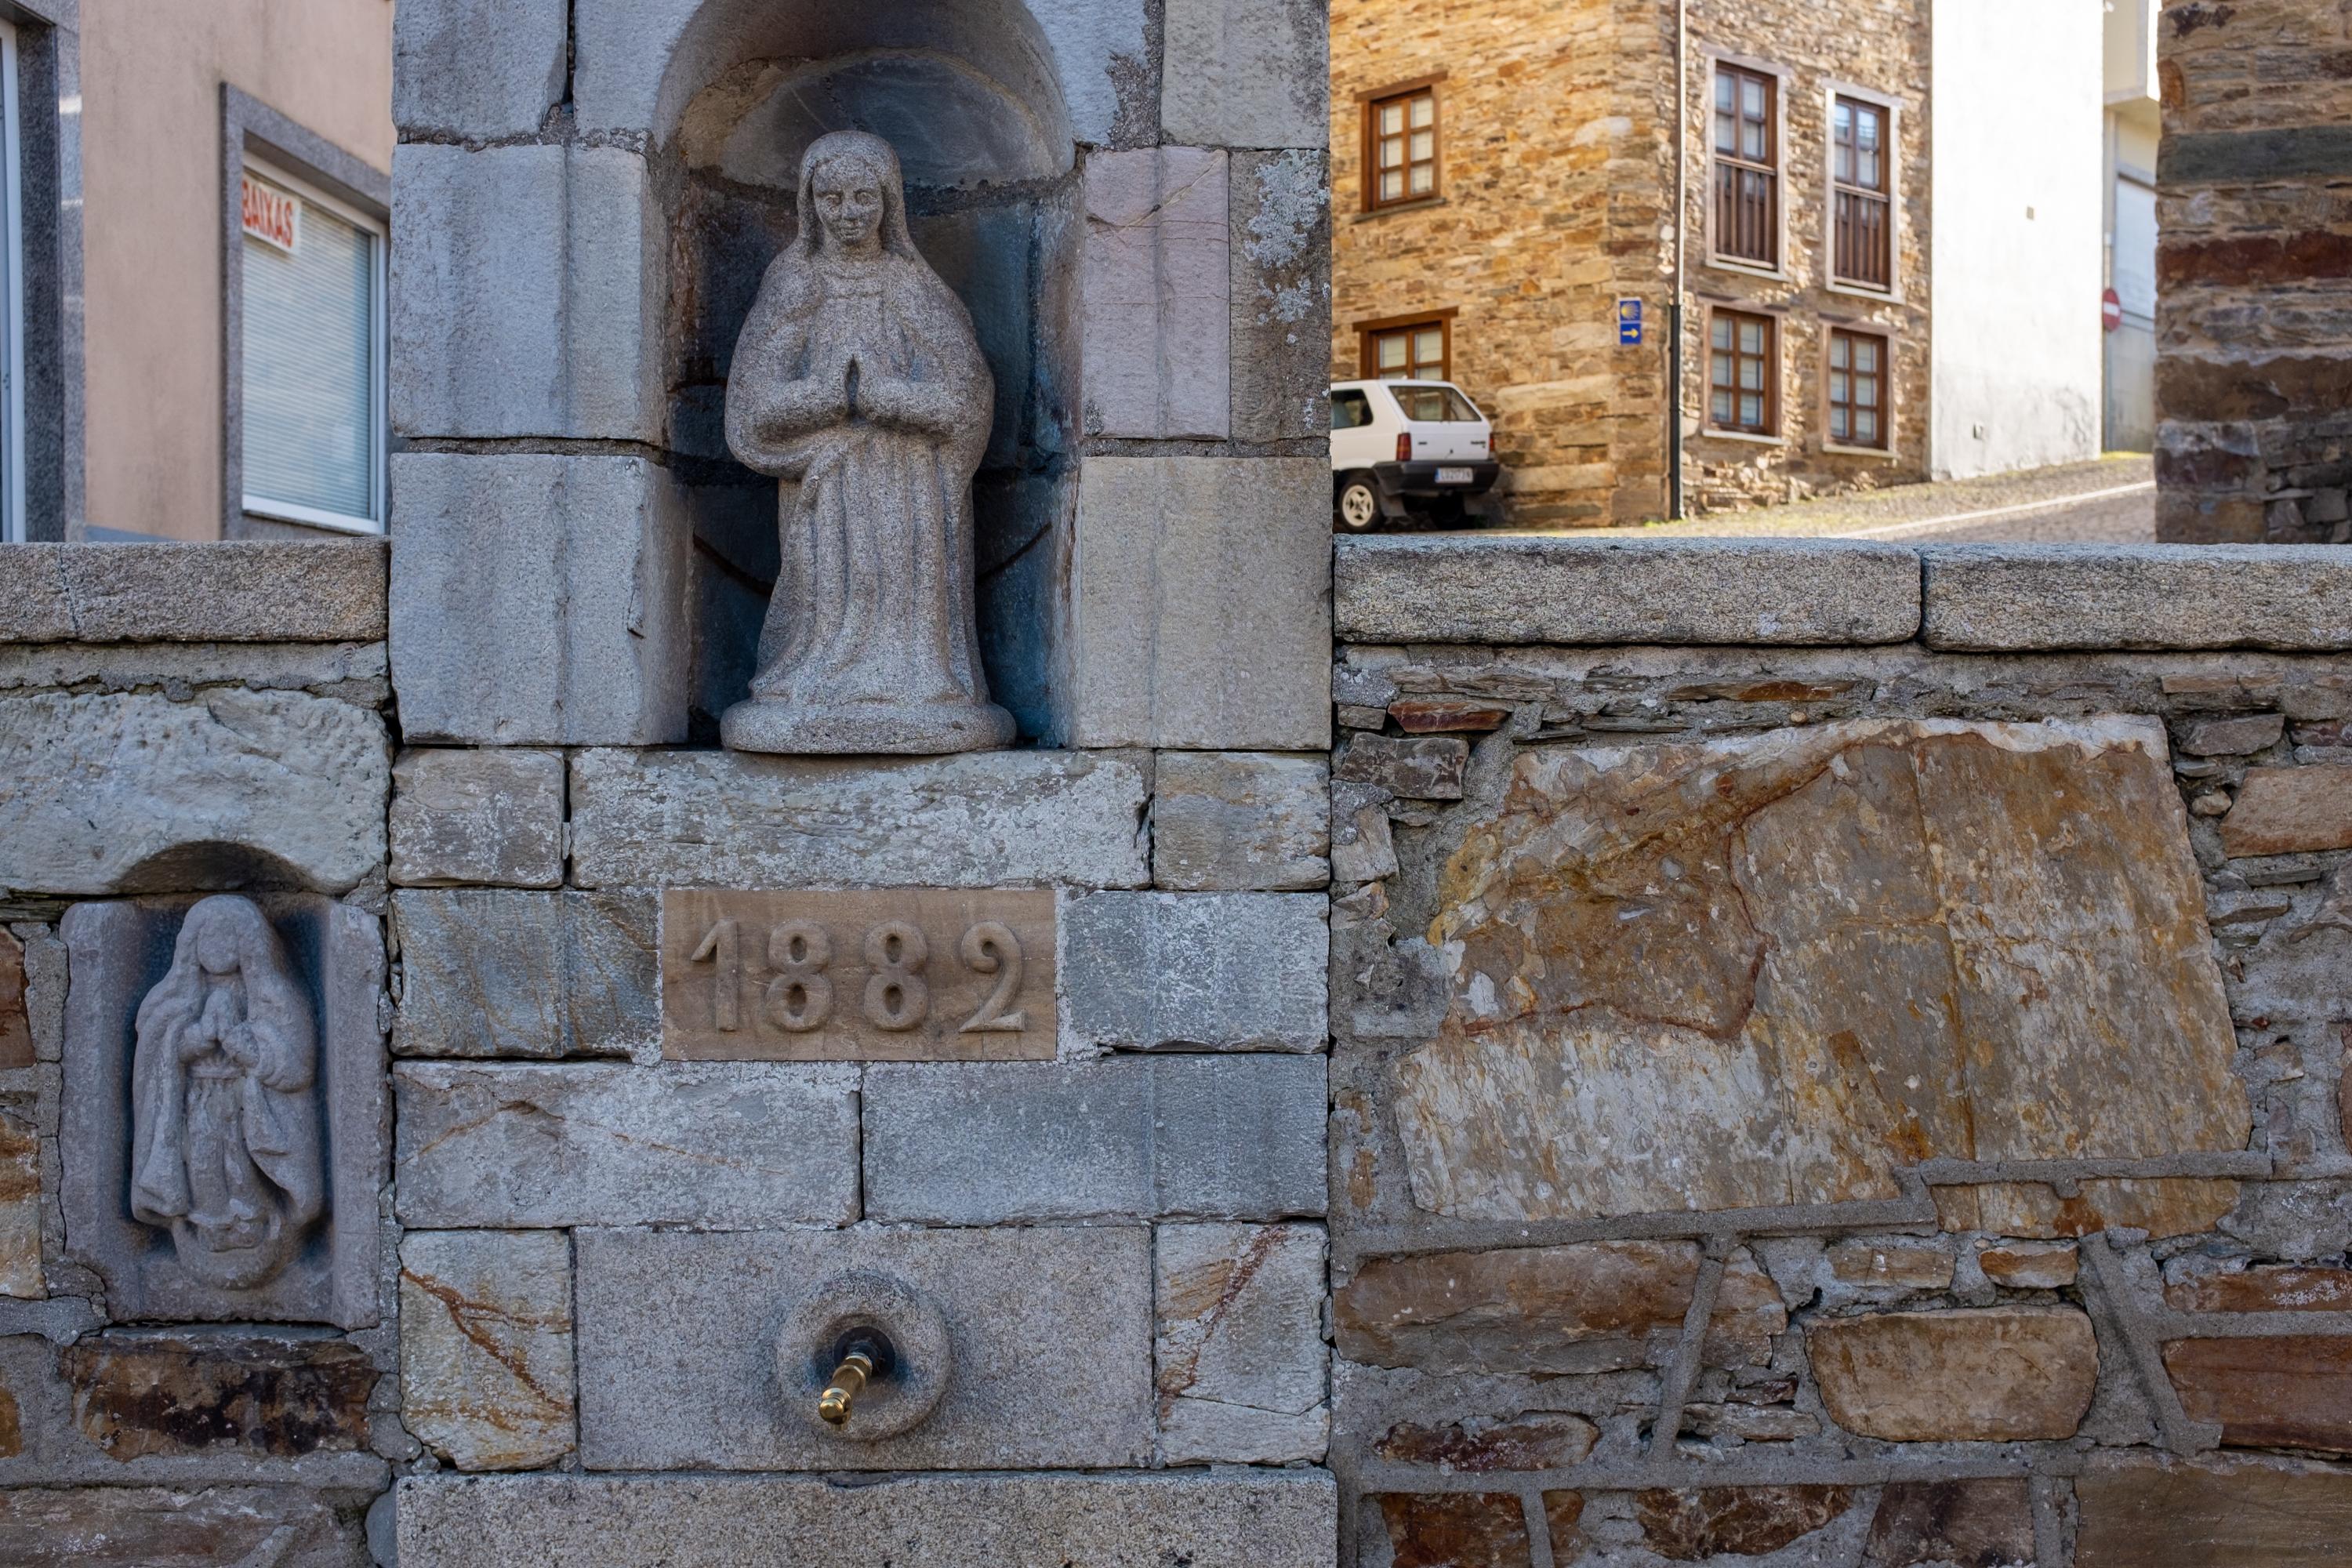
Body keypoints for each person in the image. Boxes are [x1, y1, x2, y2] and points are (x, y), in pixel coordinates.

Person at [722, 129, 1016, 754]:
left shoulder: (909, 286)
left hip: (909, 484)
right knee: (826, 588)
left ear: (889, 202)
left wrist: (888, 397)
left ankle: (917, 683)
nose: (849, 213)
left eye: (864, 197)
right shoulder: (796, 283)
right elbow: (752, 406)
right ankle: (817, 675)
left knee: (902, 592)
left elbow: (967, 397)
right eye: (832, 198)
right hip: (827, 481)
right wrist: (831, 394)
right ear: (810, 203)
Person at [129, 896, 321, 1291]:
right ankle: (211, 1226)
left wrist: (250, 1050)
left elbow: (296, 1062)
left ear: (250, 943)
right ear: (191, 945)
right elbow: (154, 1047)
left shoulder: (272, 997)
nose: (218, 948)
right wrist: (192, 1041)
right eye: (208, 938)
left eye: (229, 938)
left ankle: (250, 1225)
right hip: (195, 1099)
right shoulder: (174, 997)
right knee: (202, 1161)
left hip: (247, 1101)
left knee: (240, 1163)